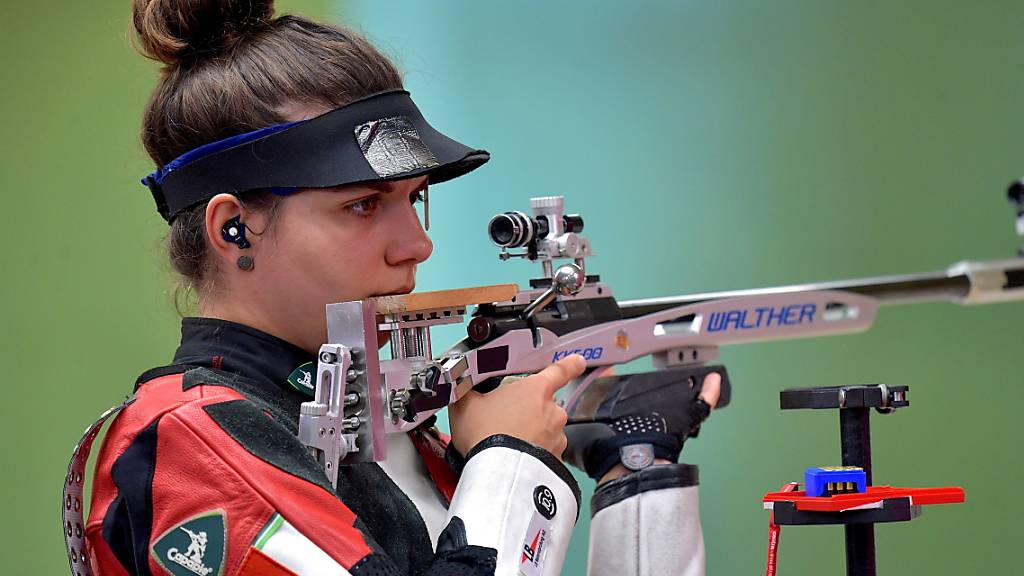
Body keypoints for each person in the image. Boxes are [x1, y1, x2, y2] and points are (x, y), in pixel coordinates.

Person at [72, 2, 721, 575]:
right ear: (234, 228)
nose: (417, 243)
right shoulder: (188, 440)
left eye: (416, 199)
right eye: (362, 205)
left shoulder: (390, 434)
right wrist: (511, 461)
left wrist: (636, 475)